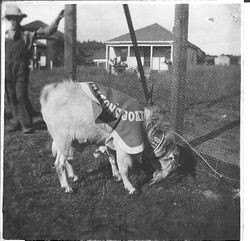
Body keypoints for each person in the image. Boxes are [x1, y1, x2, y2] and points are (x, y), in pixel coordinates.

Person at [4, 5, 64, 134]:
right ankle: (16, 120)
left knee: (20, 95)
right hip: (6, 69)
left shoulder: (27, 34)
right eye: (12, 19)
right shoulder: (5, 35)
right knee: (11, 96)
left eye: (17, 19)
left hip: (21, 69)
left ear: (20, 20)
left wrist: (57, 19)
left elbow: (47, 31)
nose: (14, 21)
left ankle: (26, 124)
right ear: (9, 20)